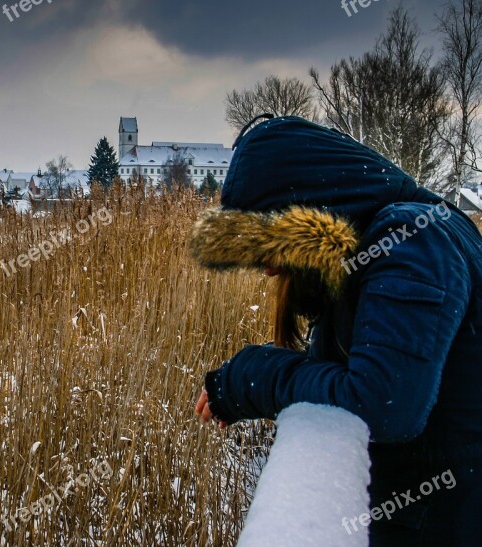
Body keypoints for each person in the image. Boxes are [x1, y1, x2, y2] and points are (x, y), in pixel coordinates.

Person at [190, 115, 482, 546]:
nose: (269, 269)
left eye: (272, 247)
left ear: (313, 214)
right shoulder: (397, 239)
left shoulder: (411, 240)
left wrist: (250, 377)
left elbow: (381, 403)